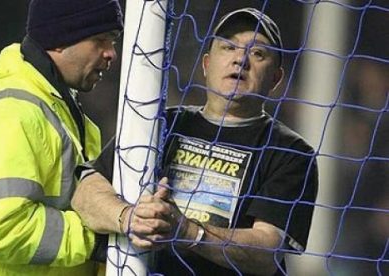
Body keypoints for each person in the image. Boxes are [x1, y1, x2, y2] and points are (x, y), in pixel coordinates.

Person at [71, 7, 318, 276]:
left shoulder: (291, 152)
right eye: (228, 47)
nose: (240, 60)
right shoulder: (161, 124)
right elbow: (86, 189)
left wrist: (188, 231)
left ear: (276, 78)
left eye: (257, 53)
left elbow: (266, 252)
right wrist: (128, 217)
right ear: (206, 65)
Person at [0, 0, 123, 275]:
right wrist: (100, 236)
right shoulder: (10, 114)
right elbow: (0, 229)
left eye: (112, 41)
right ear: (61, 39)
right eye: (100, 40)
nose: (111, 53)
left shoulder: (57, 114)